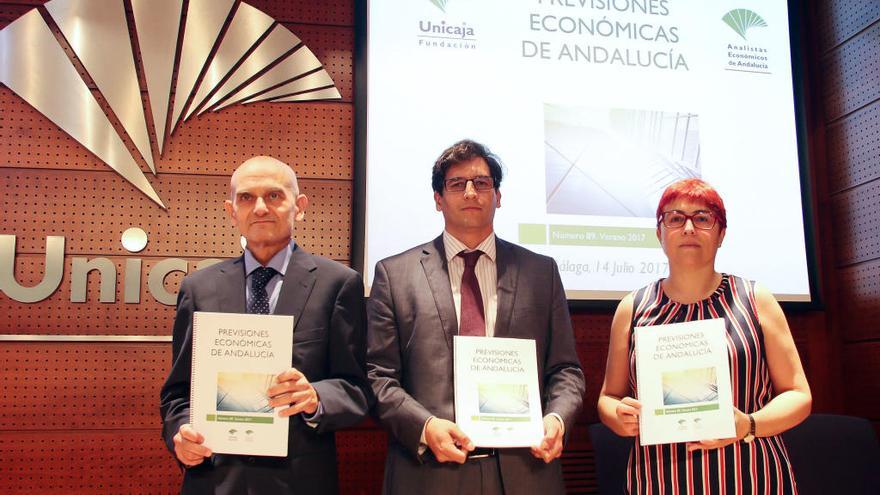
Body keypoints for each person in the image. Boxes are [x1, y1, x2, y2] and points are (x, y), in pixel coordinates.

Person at [367, 139, 585, 495]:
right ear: (439, 199)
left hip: (526, 472)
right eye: (457, 184)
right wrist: (425, 427)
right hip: (430, 473)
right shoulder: (395, 275)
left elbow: (565, 370)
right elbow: (379, 378)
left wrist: (556, 418)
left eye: (482, 183)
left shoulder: (540, 272)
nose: (471, 192)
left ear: (497, 196)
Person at [160, 156, 370, 494]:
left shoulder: (337, 284)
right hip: (214, 479)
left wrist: (316, 396)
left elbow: (357, 388)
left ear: (299, 207)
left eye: (274, 196)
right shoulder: (199, 288)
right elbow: (178, 393)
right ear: (231, 212)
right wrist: (182, 434)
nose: (260, 208)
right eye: (246, 198)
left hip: (299, 481)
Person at [597, 178, 812, 494]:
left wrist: (749, 425)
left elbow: (799, 395)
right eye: (675, 218)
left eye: (702, 218)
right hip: (661, 480)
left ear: (721, 234)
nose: (688, 228)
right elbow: (607, 397)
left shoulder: (755, 299)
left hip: (751, 476)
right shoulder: (633, 308)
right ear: (660, 233)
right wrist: (617, 415)